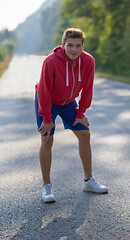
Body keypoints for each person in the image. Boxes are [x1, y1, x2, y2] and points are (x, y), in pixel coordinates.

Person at [35, 28, 108, 203]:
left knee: (85, 134)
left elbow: (88, 88)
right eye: (70, 45)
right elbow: (44, 91)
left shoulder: (88, 61)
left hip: (68, 103)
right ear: (63, 45)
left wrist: (81, 112)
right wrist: (46, 118)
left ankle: (88, 181)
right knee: (47, 139)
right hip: (48, 102)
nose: (74, 50)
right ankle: (47, 186)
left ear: (83, 45)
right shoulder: (50, 62)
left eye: (78, 46)